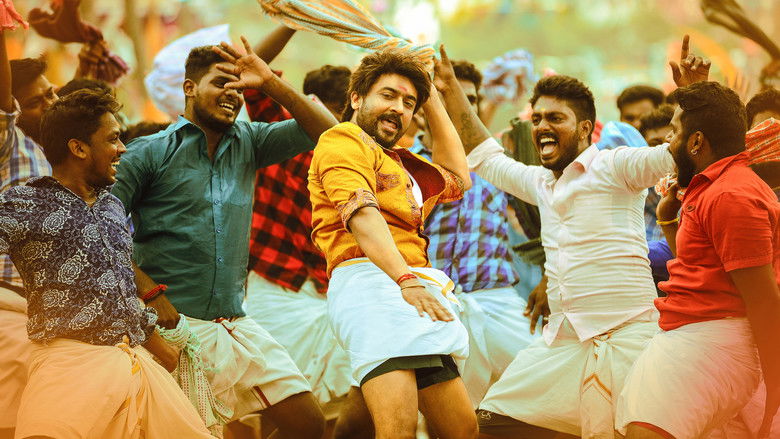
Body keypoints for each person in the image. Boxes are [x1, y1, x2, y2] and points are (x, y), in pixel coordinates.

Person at [435, 36, 709, 438]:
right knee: (494, 423)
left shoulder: (616, 166)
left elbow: (681, 153)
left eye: (555, 118)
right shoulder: (539, 182)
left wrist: (695, 95)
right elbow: (484, 156)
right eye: (537, 119)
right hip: (564, 342)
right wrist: (449, 89)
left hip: (631, 337)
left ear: (584, 129)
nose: (542, 127)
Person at [112, 37, 337, 439]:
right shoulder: (148, 152)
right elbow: (99, 230)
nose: (232, 93)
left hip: (236, 324)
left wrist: (269, 82)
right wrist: (149, 292)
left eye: (238, 87)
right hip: (172, 328)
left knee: (308, 424)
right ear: (189, 87)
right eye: (220, 83)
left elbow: (328, 131)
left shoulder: (250, 141)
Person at [1, 89, 215, 438]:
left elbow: (119, 289)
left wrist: (159, 346)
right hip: (68, 366)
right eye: (113, 139)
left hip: (134, 359)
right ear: (79, 148)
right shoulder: (23, 204)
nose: (123, 148)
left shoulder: (112, 205)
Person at [308, 46, 477, 439]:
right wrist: (406, 280)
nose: (399, 108)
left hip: (413, 289)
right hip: (372, 284)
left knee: (461, 428)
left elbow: (458, 177)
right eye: (388, 95)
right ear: (356, 98)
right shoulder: (342, 138)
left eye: (408, 103)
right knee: (398, 429)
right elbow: (361, 213)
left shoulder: (399, 160)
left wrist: (430, 93)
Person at [616, 81, 780, 439]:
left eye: (674, 131)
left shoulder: (732, 194)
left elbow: (763, 301)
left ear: (696, 142)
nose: (667, 141)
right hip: (693, 341)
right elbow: (704, 269)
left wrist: (774, 392)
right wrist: (666, 220)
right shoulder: (711, 185)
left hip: (710, 346)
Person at [410, 59, 536, 408]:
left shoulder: (498, 163)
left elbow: (540, 222)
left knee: (543, 392)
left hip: (499, 301)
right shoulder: (403, 163)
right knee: (444, 416)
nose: (460, 106)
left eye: (471, 99)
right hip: (433, 304)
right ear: (423, 108)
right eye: (448, 97)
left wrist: (546, 278)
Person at [243, 63, 353, 420]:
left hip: (328, 293)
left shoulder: (355, 158)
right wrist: (292, 23)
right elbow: (254, 77)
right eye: (335, 109)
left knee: (334, 407)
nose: (338, 121)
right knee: (273, 403)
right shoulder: (280, 134)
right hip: (275, 285)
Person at [0, 28, 56, 439]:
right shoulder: (9, 143)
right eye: (38, 101)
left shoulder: (56, 153)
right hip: (8, 311)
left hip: (48, 318)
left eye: (53, 93)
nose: (53, 103)